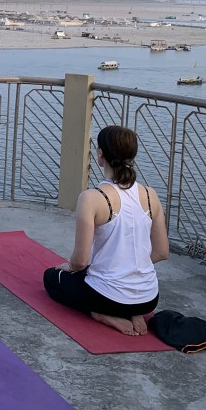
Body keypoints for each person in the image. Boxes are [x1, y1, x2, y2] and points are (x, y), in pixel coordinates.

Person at [43, 125, 169, 335]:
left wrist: (68, 267)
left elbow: (80, 261)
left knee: (50, 278)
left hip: (107, 298)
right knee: (105, 284)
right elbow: (162, 252)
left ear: (100, 154)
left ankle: (101, 314)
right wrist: (129, 265)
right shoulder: (150, 195)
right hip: (149, 300)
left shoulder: (91, 198)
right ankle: (133, 312)